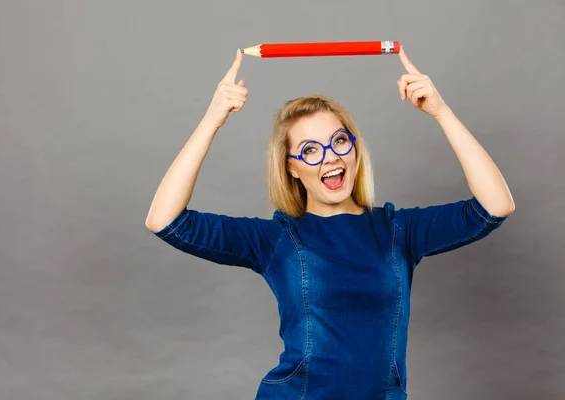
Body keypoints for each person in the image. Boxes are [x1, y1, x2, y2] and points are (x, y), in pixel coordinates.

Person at [145, 46, 515, 399]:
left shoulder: (398, 231)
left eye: (339, 140)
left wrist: (441, 111)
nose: (329, 158)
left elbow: (495, 206)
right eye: (309, 150)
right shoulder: (276, 239)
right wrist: (213, 119)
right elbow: (164, 220)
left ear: (354, 148)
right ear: (291, 167)